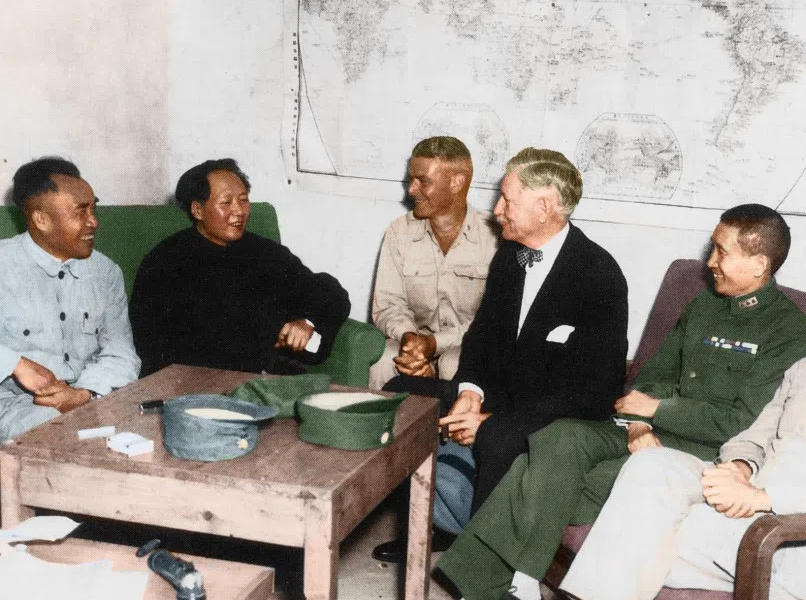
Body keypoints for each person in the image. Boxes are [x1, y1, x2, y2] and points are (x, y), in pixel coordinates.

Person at [411, 204, 806, 600]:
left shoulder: (791, 332)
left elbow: (740, 421)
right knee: (556, 438)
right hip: (640, 431)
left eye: (722, 251)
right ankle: (524, 592)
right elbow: (650, 376)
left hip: (699, 451)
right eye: (713, 247)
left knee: (546, 477)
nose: (710, 260)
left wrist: (656, 411)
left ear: (758, 264)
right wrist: (637, 425)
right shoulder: (705, 304)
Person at [512, 232, 806, 600]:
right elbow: (752, 437)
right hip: (744, 516)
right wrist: (740, 465)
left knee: (631, 533)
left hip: (805, 547)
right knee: (652, 467)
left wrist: (765, 496)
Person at [376, 146, 628, 555]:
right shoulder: (511, 257)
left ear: (545, 207)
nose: (496, 210)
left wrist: (490, 419)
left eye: (508, 199)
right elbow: (482, 338)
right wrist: (469, 393)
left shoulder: (598, 275)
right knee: (403, 393)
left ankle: (481, 564)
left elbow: (595, 391)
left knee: (497, 437)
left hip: (557, 415)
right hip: (500, 399)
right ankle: (432, 522)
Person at [129, 159, 350, 376]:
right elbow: (152, 343)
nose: (239, 211)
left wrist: (305, 321)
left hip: (268, 380)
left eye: (243, 200)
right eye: (226, 203)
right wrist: (269, 336)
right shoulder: (165, 261)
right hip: (195, 383)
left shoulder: (265, 251)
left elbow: (329, 291)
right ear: (197, 210)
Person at [0, 157, 140, 441]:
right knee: (67, 436)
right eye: (80, 212)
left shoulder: (105, 272)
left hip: (88, 398)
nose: (94, 222)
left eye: (94, 208)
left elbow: (121, 352)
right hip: (12, 405)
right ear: (41, 219)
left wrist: (84, 393)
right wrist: (14, 363)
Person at [369, 136, 498, 390]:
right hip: (415, 342)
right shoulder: (399, 232)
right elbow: (387, 305)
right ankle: (381, 428)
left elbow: (492, 320)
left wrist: (435, 344)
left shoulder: (495, 237)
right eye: (411, 180)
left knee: (453, 363)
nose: (411, 190)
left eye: (423, 181)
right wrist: (410, 340)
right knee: (383, 359)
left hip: (468, 344)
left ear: (457, 182)